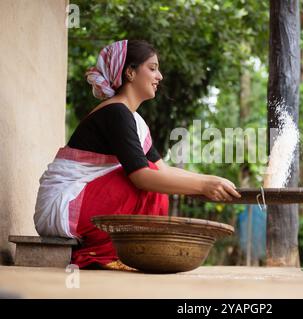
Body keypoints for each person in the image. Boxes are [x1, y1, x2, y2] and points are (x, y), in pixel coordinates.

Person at [34, 39, 241, 270]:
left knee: (156, 179)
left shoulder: (133, 119)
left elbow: (164, 170)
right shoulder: (116, 112)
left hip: (82, 202)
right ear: (130, 72)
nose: (159, 76)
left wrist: (210, 182)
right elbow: (143, 177)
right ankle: (99, 254)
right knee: (150, 182)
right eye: (152, 68)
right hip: (64, 205)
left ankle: (119, 254)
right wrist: (203, 186)